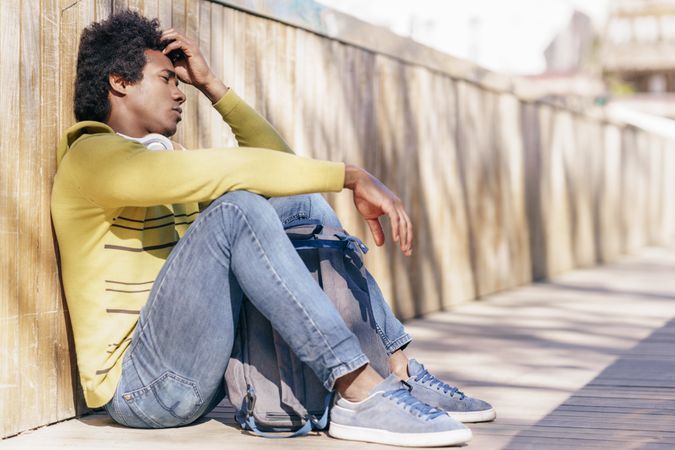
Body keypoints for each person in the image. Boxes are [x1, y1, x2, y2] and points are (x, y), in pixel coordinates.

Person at [51, 10, 495, 447]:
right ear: (120, 82)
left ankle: (395, 368)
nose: (180, 92)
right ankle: (356, 389)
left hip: (200, 375)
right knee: (237, 209)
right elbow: (234, 172)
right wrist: (351, 175)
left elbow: (282, 167)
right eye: (167, 78)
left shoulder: (162, 159)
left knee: (299, 200)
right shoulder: (92, 157)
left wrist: (213, 86)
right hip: (141, 389)